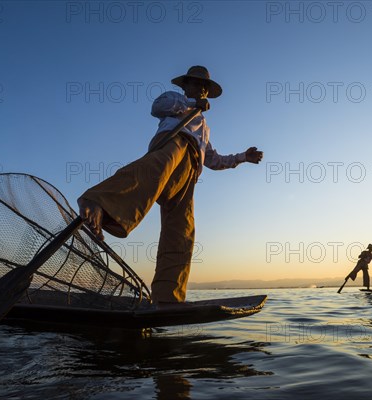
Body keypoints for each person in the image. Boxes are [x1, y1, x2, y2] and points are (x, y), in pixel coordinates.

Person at [77, 66, 263, 307]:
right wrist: (191, 103)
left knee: (182, 232)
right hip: (174, 144)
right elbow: (157, 107)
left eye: (204, 87)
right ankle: (98, 201)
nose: (202, 89)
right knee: (150, 173)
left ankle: (168, 296)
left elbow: (214, 160)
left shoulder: (204, 127)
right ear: (185, 85)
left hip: (189, 173)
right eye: (197, 84)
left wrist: (242, 157)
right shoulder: (176, 100)